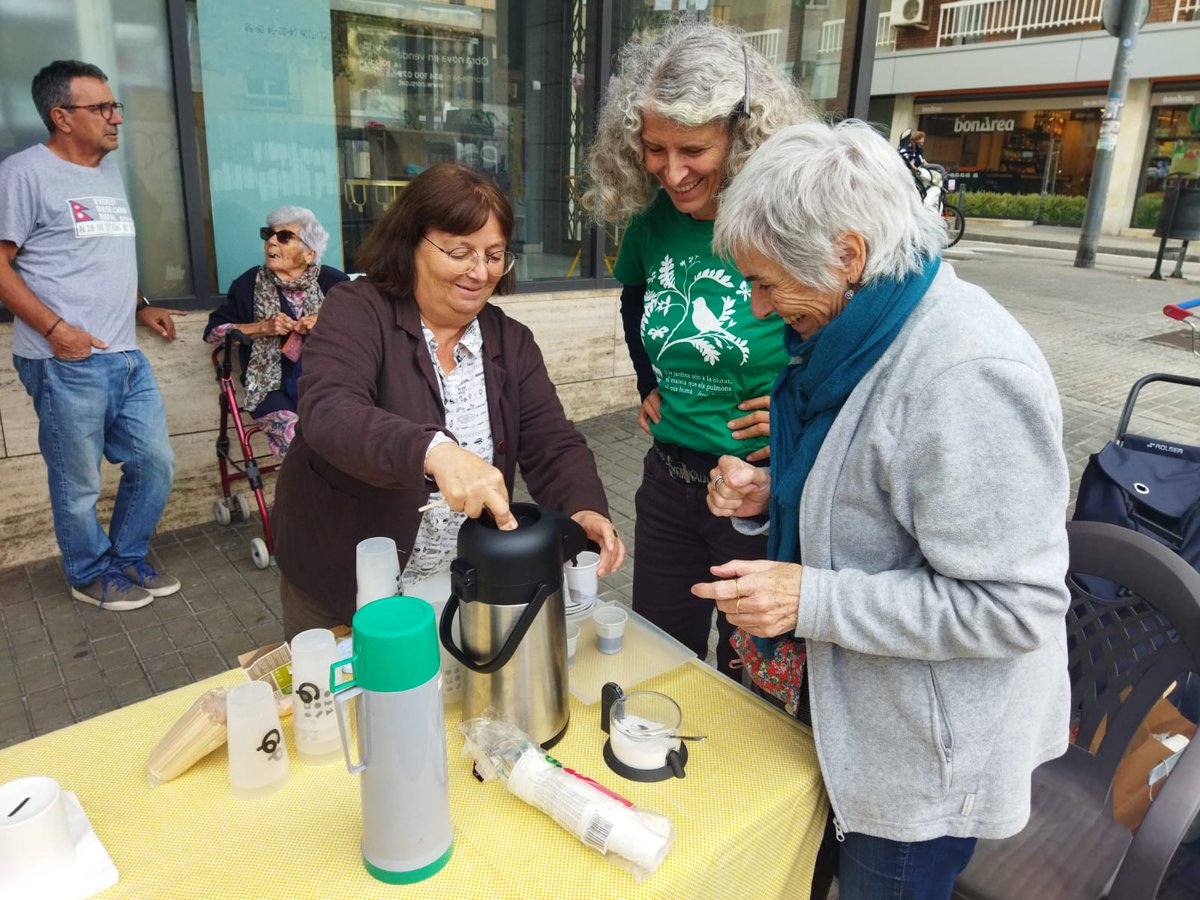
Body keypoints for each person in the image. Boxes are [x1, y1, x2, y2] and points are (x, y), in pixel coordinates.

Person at [693, 120, 1071, 898]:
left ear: (849, 257)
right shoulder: (856, 338)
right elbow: (876, 496)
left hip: (916, 767)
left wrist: (812, 597)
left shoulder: (966, 376)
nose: (758, 309)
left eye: (768, 283)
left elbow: (1013, 608)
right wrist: (775, 497)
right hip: (850, 717)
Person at [273, 163, 625, 638]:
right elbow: (330, 411)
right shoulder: (358, 310)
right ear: (412, 242)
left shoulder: (510, 340)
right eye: (460, 252)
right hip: (346, 582)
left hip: (457, 579)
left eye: (495, 255)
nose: (480, 273)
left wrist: (584, 509)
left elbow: (552, 442)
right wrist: (433, 453)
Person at [581, 19, 812, 680]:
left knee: (751, 672)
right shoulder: (655, 222)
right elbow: (634, 298)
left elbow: (837, 316)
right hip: (669, 484)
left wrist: (801, 403)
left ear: (740, 138)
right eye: (655, 148)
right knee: (661, 660)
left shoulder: (782, 222)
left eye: (693, 150)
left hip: (757, 493)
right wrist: (645, 381)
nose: (672, 171)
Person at [0, 60, 183, 612]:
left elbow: (98, 255)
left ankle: (126, 557)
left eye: (115, 105)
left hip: (123, 353)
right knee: (78, 484)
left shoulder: (107, 173)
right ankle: (88, 572)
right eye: (100, 108)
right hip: (64, 359)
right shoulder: (24, 173)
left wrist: (140, 305)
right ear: (61, 116)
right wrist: (58, 331)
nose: (116, 118)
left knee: (155, 463)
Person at [203, 207, 348, 458]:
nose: (271, 240)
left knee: (352, 433)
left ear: (308, 254)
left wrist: (325, 321)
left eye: (284, 236)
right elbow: (213, 333)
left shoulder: (334, 283)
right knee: (299, 443)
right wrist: (263, 327)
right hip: (270, 388)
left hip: (328, 383)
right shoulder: (248, 284)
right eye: (269, 234)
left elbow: (363, 325)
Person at [899, 128, 945, 211]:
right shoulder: (907, 150)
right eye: (920, 142)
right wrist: (915, 169)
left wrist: (932, 168)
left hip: (919, 174)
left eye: (922, 143)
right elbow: (910, 162)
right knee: (917, 189)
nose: (922, 144)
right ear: (915, 140)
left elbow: (924, 162)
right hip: (910, 174)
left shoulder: (919, 151)